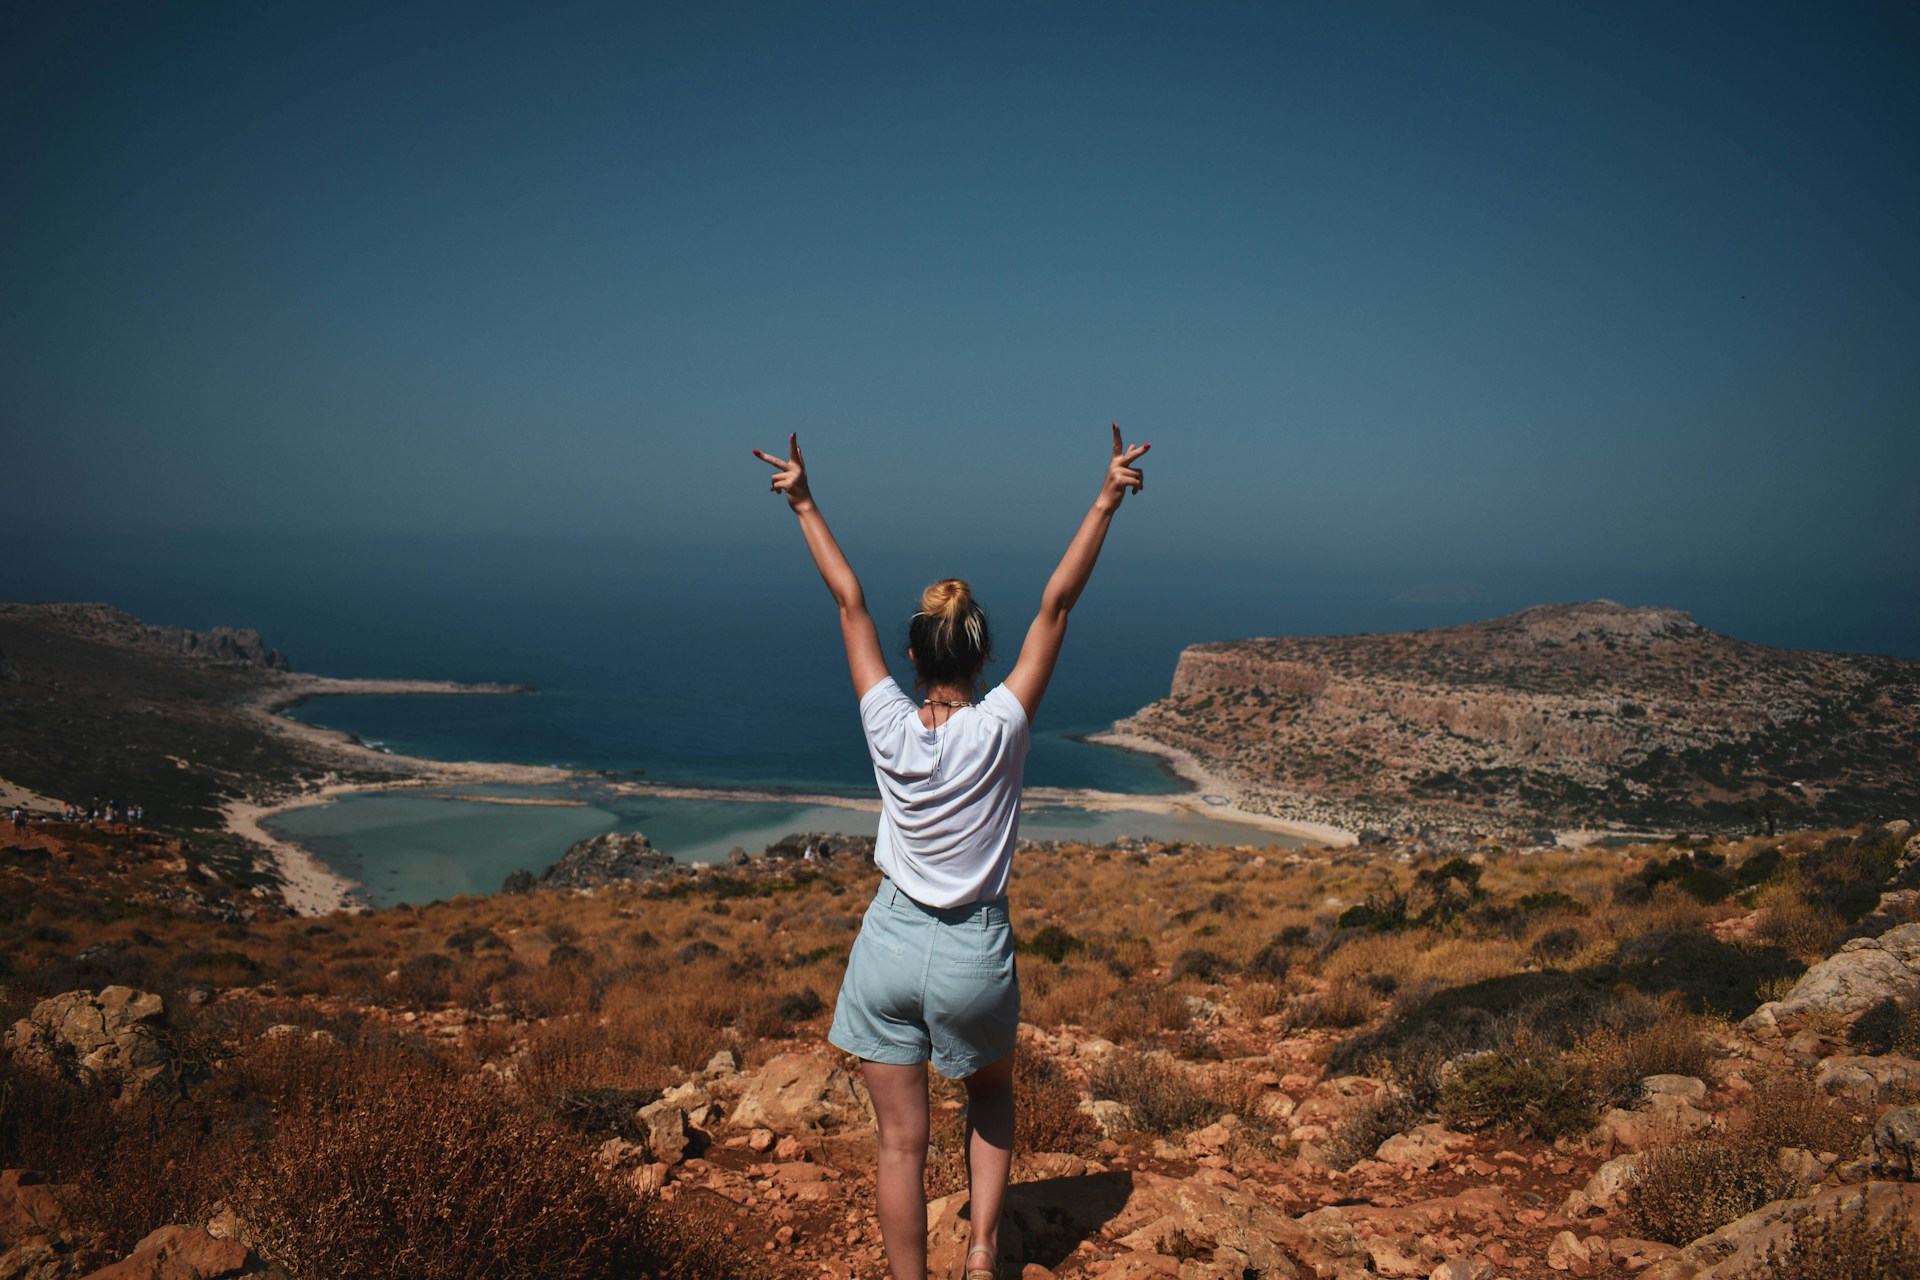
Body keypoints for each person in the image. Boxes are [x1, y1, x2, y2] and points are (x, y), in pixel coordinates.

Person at [753, 425, 1150, 1280]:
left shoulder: (887, 724)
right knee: (993, 1094)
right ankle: (979, 1256)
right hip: (975, 948)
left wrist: (805, 502)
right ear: (982, 657)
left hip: (890, 943)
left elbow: (849, 603)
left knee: (900, 1143)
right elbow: (1057, 606)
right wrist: (1105, 497)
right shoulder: (1002, 728)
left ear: (912, 657)